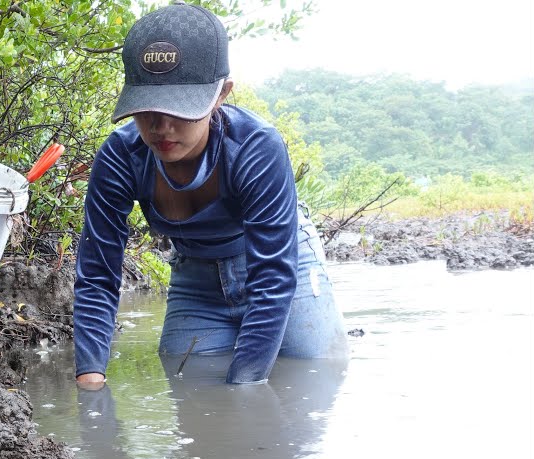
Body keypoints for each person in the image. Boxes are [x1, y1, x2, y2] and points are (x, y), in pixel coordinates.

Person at [73, 2, 348, 387]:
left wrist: (244, 391)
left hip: (282, 266)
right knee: (188, 382)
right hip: (197, 276)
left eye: (181, 110)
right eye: (147, 109)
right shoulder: (121, 157)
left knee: (311, 378)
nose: (162, 127)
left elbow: (272, 276)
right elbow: (99, 272)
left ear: (221, 94)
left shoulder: (255, 147)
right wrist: (90, 384)